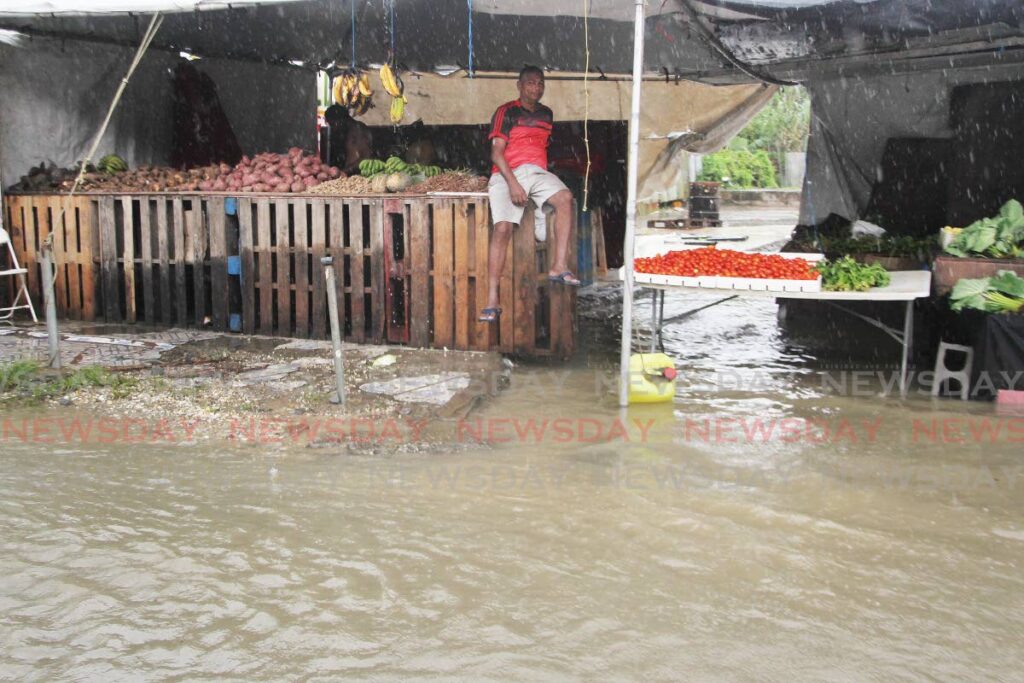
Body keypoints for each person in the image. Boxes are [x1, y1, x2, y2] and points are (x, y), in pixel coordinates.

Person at [480, 65, 578, 323]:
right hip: (506, 172)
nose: (536, 88)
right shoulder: (506, 111)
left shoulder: (547, 115)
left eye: (540, 83)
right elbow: (496, 153)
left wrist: (533, 185)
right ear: (520, 86)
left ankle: (558, 266)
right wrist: (513, 183)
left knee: (566, 198)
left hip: (537, 173)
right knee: (502, 229)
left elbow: (539, 150)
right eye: (531, 83)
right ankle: (492, 299)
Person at [324, 104, 373, 175]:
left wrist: (346, 171)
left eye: (332, 124)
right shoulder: (347, 131)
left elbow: (366, 157)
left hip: (358, 175)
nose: (333, 129)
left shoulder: (358, 130)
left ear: (338, 122)